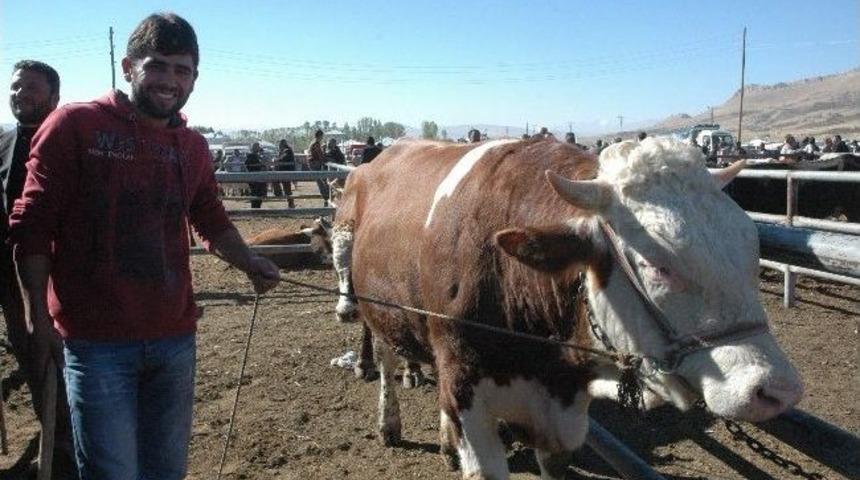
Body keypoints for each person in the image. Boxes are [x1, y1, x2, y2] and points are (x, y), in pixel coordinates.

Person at [8, 13, 280, 480]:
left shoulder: (190, 145)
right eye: (158, 66)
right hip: (95, 343)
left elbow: (210, 217)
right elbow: (32, 223)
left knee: (164, 470)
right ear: (128, 66)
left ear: (195, 77)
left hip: (174, 337)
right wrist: (36, 312)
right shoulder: (76, 125)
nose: (170, 81)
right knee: (112, 471)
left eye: (182, 70)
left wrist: (249, 259)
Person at [1, 60, 77, 479]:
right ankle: (58, 442)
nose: (20, 94)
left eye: (31, 88)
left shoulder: (72, 142)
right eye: (15, 87)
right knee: (30, 355)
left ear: (53, 96)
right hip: (11, 281)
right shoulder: (4, 142)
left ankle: (77, 443)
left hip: (61, 277)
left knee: (68, 360)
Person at [307, 129, 329, 204]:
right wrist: (325, 160)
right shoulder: (316, 144)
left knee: (320, 180)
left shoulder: (313, 143)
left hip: (312, 163)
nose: (322, 138)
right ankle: (325, 195)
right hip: (315, 163)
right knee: (320, 180)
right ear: (320, 136)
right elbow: (320, 155)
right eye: (322, 136)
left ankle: (325, 195)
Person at [274, 139, 295, 208]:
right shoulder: (284, 151)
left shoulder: (287, 150)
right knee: (286, 188)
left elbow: (283, 159)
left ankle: (290, 203)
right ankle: (290, 203)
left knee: (287, 188)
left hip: (286, 172)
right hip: (284, 172)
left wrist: (276, 160)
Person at [245, 141, 266, 208]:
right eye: (258, 147)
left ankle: (256, 207)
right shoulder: (251, 156)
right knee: (255, 193)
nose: (259, 149)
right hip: (254, 178)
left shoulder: (257, 156)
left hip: (258, 178)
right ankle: (255, 207)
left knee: (258, 193)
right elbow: (250, 166)